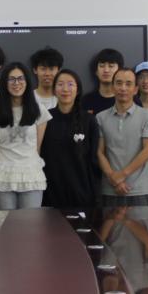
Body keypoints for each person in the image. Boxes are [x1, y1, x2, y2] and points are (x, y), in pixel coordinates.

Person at [0, 63, 48, 210]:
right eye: (11, 79)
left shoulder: (39, 110)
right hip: (3, 174)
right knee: (5, 221)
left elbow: (38, 147)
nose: (16, 83)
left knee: (30, 221)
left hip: (31, 174)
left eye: (21, 78)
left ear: (27, 82)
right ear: (4, 83)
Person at [96, 67, 148, 207]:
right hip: (109, 189)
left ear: (135, 89)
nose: (123, 88)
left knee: (141, 222)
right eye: (119, 83)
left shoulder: (147, 116)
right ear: (113, 87)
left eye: (128, 84)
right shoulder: (100, 117)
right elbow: (99, 152)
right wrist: (113, 178)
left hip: (140, 190)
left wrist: (122, 175)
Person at [40, 69, 100, 209]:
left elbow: (94, 159)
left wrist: (95, 194)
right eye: (60, 84)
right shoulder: (45, 118)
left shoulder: (89, 120)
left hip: (82, 192)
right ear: (54, 90)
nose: (65, 89)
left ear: (77, 90)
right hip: (50, 192)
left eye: (70, 84)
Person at [84, 47, 124, 116]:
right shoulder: (86, 101)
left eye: (111, 66)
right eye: (102, 66)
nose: (106, 70)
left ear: (120, 70)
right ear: (96, 71)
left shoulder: (128, 99)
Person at [30, 46, 63, 114]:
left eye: (51, 69)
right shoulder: (28, 98)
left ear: (58, 71)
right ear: (35, 70)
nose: (47, 74)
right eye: (43, 69)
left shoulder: (63, 98)